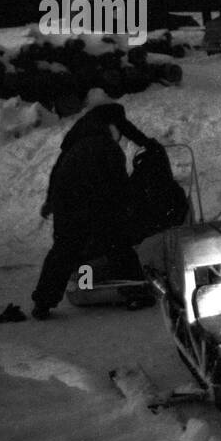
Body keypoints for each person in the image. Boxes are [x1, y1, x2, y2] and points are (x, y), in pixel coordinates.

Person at [31, 103, 158, 319]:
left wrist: (50, 201)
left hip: (66, 201)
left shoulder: (76, 141)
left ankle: (45, 302)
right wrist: (128, 207)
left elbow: (57, 171)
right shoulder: (106, 146)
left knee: (65, 249)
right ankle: (136, 293)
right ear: (111, 124)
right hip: (95, 201)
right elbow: (119, 183)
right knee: (117, 244)